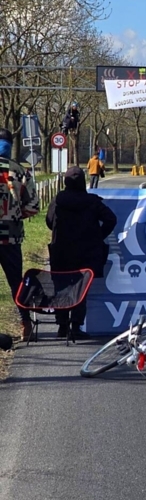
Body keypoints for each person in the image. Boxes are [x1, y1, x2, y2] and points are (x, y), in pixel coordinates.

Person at [45, 166, 117, 339]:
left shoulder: (58, 200)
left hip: (61, 251)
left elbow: (49, 220)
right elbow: (111, 219)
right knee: (80, 289)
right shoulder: (92, 202)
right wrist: (98, 236)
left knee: (61, 287)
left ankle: (62, 325)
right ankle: (76, 326)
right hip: (87, 252)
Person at [0, 128, 40, 341]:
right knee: (16, 282)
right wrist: (15, 215)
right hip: (11, 237)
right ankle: (26, 324)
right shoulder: (20, 171)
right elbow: (33, 206)